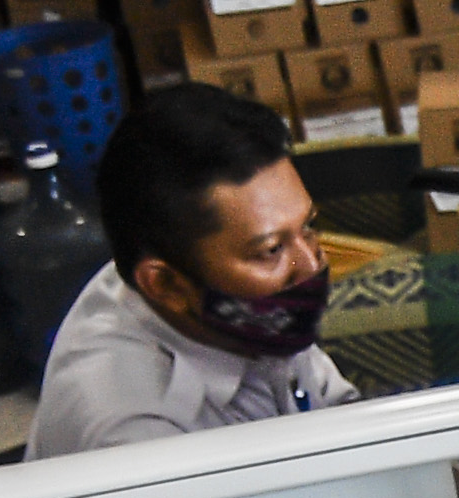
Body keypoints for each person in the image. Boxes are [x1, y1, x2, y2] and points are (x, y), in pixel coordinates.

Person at [25, 83, 360, 460]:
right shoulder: (138, 437)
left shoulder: (234, 304)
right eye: (271, 250)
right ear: (165, 284)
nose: (310, 264)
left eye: (308, 228)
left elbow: (326, 400)